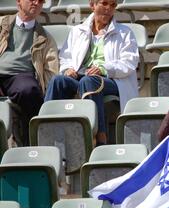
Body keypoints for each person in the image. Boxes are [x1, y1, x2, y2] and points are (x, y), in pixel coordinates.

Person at [44, 0, 139, 145]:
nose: (108, 8)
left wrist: (104, 69)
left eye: (113, 5)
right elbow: (66, 57)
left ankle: (98, 137)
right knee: (58, 81)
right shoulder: (77, 31)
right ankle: (47, 130)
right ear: (92, 5)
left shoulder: (125, 32)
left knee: (89, 81)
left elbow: (129, 63)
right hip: (81, 77)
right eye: (104, 3)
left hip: (113, 80)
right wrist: (68, 69)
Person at [0, 0, 59, 146]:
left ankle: (31, 144)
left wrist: (43, 86)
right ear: (18, 1)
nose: (36, 3)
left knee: (30, 90)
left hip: (20, 77)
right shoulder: (2, 24)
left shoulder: (44, 37)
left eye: (40, 1)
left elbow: (52, 70)